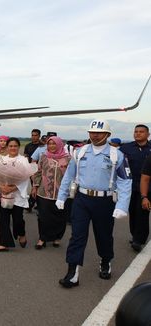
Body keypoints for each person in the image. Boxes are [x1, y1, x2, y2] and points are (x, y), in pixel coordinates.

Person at [57, 119, 131, 288]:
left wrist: (122, 206)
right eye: (92, 132)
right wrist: (62, 196)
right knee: (77, 235)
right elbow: (69, 175)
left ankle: (105, 261)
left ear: (107, 134)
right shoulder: (80, 152)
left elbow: (125, 181)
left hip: (104, 201)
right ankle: (72, 272)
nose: (95, 135)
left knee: (104, 235)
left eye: (99, 132)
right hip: (82, 199)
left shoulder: (116, 155)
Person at [0, 138, 32, 252]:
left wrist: (13, 188)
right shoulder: (2, 159)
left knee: (18, 219)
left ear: (19, 147)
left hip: (17, 195)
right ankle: (4, 243)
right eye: (11, 146)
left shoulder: (23, 160)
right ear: (7, 147)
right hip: (4, 194)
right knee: (4, 219)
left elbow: (25, 178)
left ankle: (21, 234)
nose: (13, 148)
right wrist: (1, 187)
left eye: (15, 146)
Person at [31, 136, 71, 249]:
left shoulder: (68, 159)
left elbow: (72, 175)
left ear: (59, 145)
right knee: (43, 216)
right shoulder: (44, 157)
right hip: (44, 192)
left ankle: (57, 237)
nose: (51, 146)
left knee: (60, 217)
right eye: (49, 144)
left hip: (62, 194)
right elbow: (38, 172)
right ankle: (42, 238)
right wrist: (35, 186)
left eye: (54, 144)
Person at [120, 124, 151, 252]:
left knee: (143, 212)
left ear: (148, 135)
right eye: (136, 131)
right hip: (130, 187)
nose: (138, 134)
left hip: (147, 187)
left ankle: (139, 239)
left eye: (141, 132)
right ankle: (134, 235)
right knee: (133, 212)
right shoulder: (125, 148)